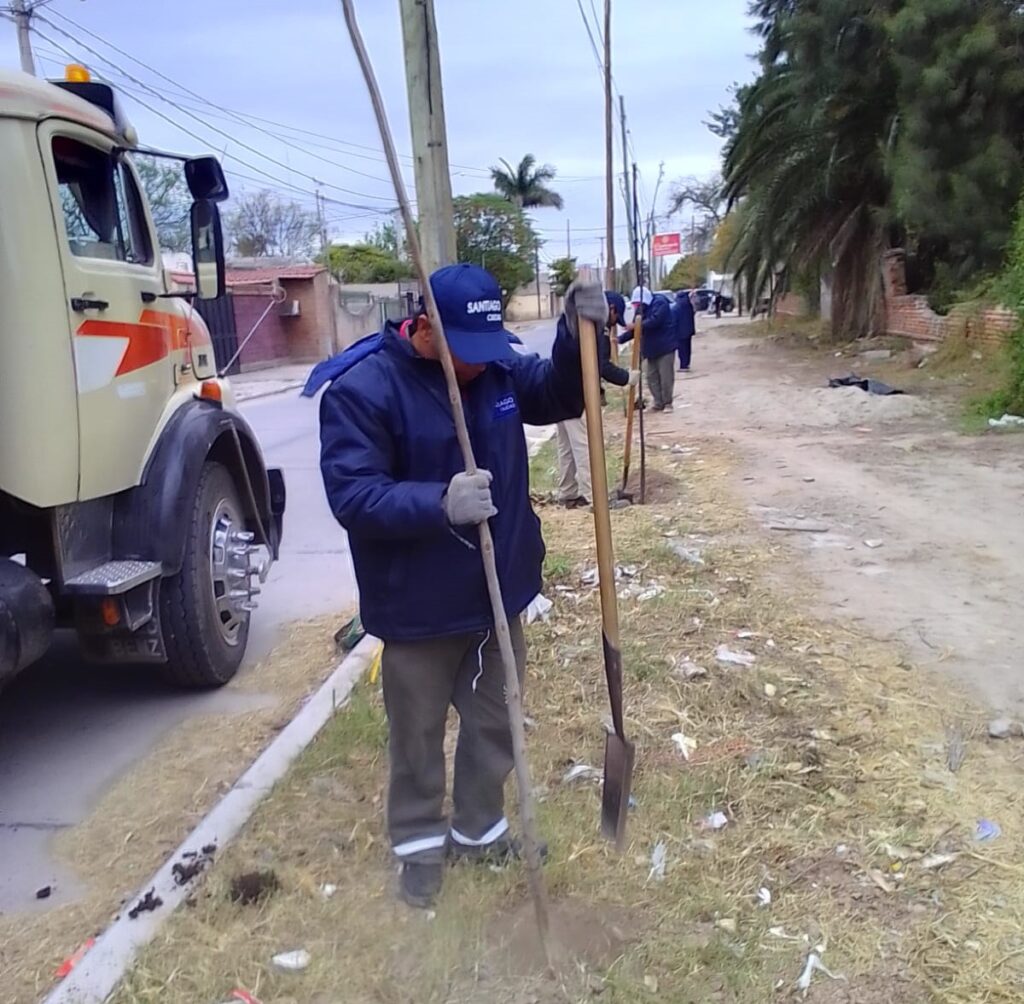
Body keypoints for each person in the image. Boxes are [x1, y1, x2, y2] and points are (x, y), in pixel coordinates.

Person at [315, 264, 606, 909]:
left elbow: (561, 391)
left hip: (497, 589)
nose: (478, 366)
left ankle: (481, 830)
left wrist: (576, 331)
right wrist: (436, 502)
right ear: (424, 328)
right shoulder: (364, 391)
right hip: (416, 601)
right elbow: (353, 494)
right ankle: (419, 846)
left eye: (485, 350)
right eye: (463, 354)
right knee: (416, 735)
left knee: (496, 719)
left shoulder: (494, 369)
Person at [554, 291, 639, 508]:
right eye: (615, 317)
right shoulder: (593, 331)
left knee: (567, 446)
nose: (613, 323)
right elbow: (601, 367)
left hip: (557, 391)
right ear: (609, 308)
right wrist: (627, 377)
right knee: (585, 446)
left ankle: (569, 493)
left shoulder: (572, 323)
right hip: (576, 395)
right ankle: (597, 499)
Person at [618, 285, 676, 412]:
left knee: (666, 377)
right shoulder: (640, 310)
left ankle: (667, 403)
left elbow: (654, 321)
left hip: (665, 346)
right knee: (651, 377)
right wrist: (619, 339)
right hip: (650, 349)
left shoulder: (660, 303)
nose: (637, 306)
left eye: (639, 303)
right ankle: (658, 402)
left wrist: (635, 325)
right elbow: (636, 330)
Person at [675, 288, 696, 372]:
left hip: (680, 331)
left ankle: (683, 366)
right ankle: (686, 364)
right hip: (689, 330)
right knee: (687, 348)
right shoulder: (688, 304)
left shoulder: (678, 305)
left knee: (681, 349)